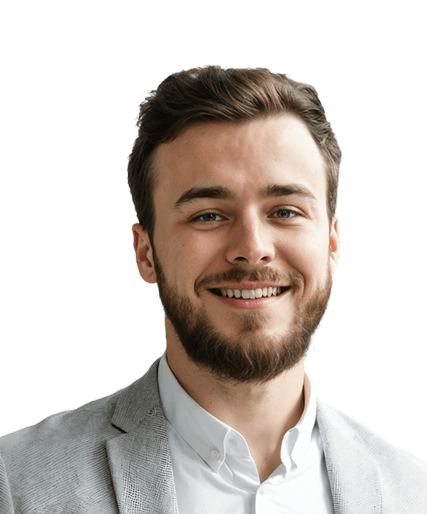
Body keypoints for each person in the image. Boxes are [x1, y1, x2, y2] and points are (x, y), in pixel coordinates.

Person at [1, 65, 426, 514]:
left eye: (285, 211)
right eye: (208, 215)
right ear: (145, 253)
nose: (252, 249)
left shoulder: (415, 492)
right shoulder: (14, 482)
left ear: (332, 243)